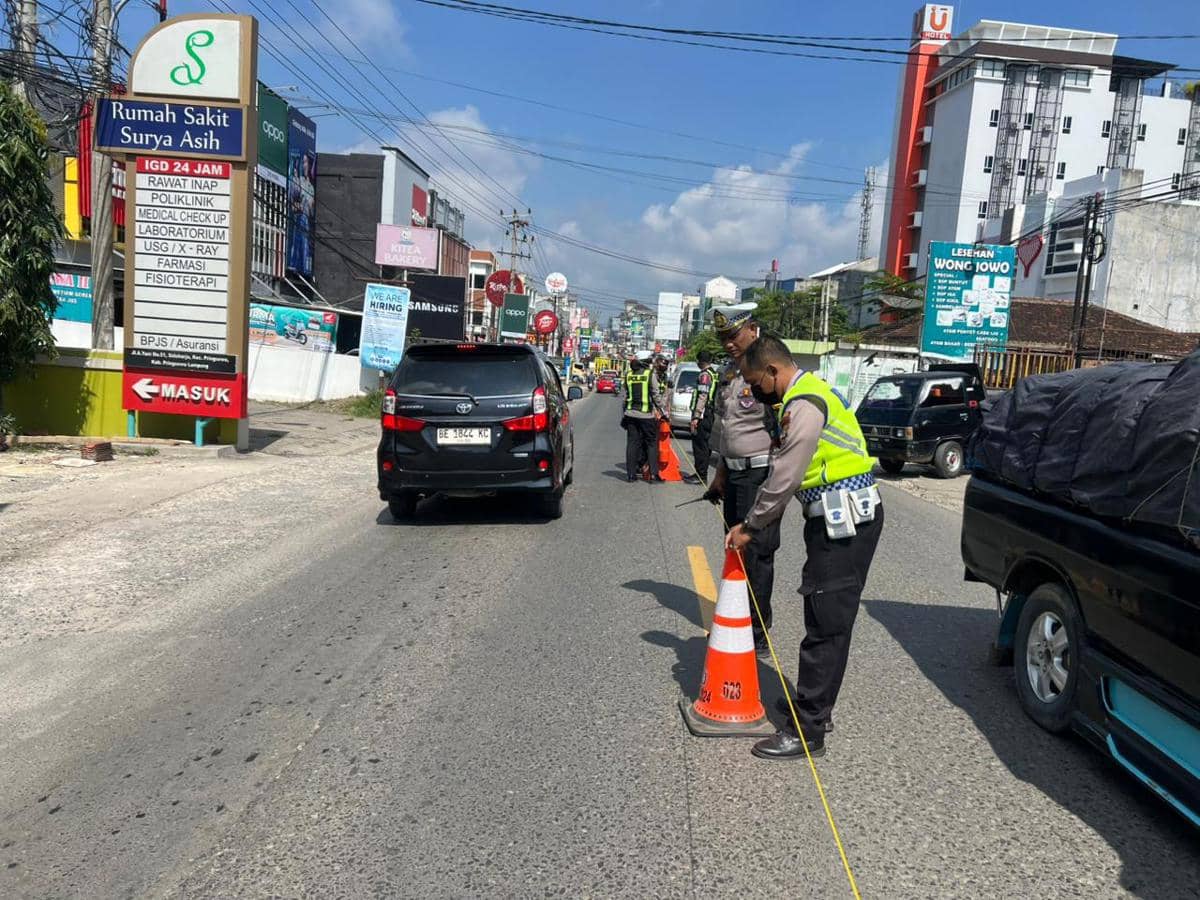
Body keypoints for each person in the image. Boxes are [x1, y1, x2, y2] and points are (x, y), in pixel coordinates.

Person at [726, 334, 883, 761]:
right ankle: (814, 706)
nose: (755, 391)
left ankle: (808, 730)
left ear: (773, 371)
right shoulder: (803, 395)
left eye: (756, 382)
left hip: (845, 521)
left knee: (825, 624)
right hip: (836, 518)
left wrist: (750, 526)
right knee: (825, 616)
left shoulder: (804, 404)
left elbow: (784, 476)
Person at [701, 303, 781, 655]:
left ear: (753, 329)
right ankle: (736, 621)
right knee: (734, 550)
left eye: (733, 335)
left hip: (760, 472)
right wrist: (719, 475)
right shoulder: (730, 372)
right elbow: (725, 427)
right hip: (732, 472)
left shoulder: (770, 367)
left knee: (756, 553)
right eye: (723, 338)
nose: (728, 343)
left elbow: (784, 430)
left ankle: (757, 631)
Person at [621, 350, 667, 482]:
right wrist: (663, 411)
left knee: (632, 444)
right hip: (646, 415)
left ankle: (630, 475)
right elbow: (655, 395)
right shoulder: (649, 374)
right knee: (651, 443)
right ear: (645, 361)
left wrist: (624, 414)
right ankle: (653, 474)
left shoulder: (628, 374)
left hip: (630, 414)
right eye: (649, 359)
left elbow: (624, 397)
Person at [682, 350, 717, 486]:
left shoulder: (705, 375)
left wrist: (696, 416)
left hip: (703, 414)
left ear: (700, 361)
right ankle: (700, 473)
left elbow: (703, 396)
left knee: (700, 445)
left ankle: (701, 475)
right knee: (705, 446)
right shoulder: (714, 374)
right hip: (710, 413)